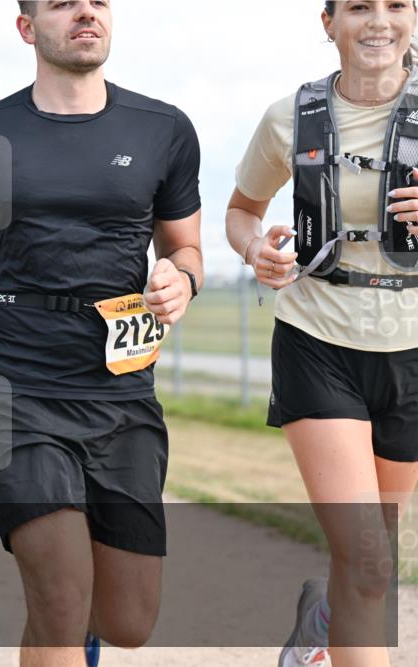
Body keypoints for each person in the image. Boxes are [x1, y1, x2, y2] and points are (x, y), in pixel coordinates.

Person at [0, 2, 203, 665]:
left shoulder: (165, 129)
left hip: (121, 395)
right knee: (63, 597)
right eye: (63, 2)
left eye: (97, 1)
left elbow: (187, 248)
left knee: (127, 619)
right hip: (15, 387)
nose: (86, 12)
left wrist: (181, 278)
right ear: (27, 27)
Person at [226, 3, 418, 666]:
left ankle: (323, 620)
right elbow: (241, 210)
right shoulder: (289, 117)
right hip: (317, 339)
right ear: (329, 21)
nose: (379, 21)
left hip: (411, 351)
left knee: (373, 557)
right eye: (360, 6)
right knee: (366, 559)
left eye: (397, 4)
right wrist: (256, 250)